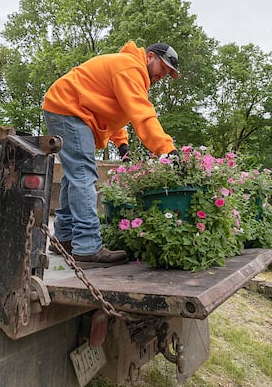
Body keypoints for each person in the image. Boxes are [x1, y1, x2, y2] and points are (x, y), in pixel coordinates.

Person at [42, 41, 181, 267]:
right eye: (163, 69)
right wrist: (168, 150)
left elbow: (113, 109)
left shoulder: (128, 69)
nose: (162, 76)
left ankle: (64, 237)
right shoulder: (130, 68)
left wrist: (122, 144)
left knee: (74, 176)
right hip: (69, 110)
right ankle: (87, 247)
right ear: (150, 56)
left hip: (67, 109)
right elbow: (143, 115)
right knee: (84, 175)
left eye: (167, 73)